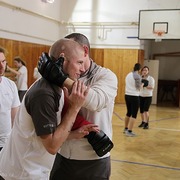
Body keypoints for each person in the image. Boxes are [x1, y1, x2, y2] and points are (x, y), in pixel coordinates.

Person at [0, 39, 98, 180]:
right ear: (62, 59)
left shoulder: (56, 88)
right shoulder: (44, 93)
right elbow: (52, 146)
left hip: (30, 170)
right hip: (19, 174)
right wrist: (75, 108)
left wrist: (74, 134)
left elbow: (40, 136)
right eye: (79, 63)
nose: (82, 69)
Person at [38, 33, 118, 180]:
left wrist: (62, 79)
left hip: (93, 158)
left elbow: (96, 101)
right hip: (61, 154)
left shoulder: (106, 76)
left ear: (85, 51)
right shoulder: (64, 71)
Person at [0, 47, 20, 151]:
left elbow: (15, 117)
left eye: (3, 61)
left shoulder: (11, 85)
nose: (1, 66)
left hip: (6, 142)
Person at [123, 63, 142, 137]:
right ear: (139, 69)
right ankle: (130, 131)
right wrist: (142, 85)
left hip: (127, 95)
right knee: (134, 114)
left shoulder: (128, 75)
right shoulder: (137, 76)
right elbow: (138, 87)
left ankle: (125, 128)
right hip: (134, 96)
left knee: (128, 112)